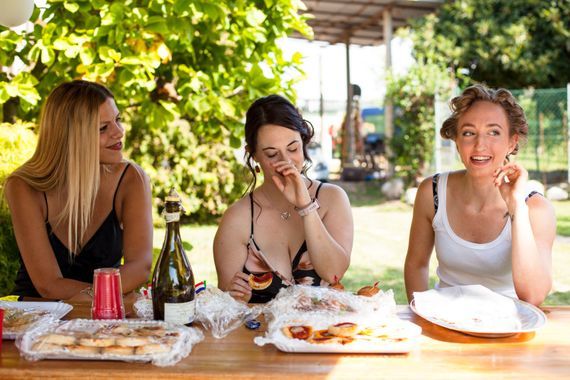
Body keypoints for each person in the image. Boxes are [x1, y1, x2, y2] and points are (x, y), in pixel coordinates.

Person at [404, 84, 555, 306]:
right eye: (468, 133)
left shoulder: (536, 209)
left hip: (508, 329)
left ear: (512, 141)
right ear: (456, 140)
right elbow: (416, 265)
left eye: (493, 132)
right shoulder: (432, 192)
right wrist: (421, 315)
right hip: (446, 323)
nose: (479, 144)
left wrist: (516, 206)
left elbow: (533, 296)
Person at [4, 80, 153, 300]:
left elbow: (140, 267)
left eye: (118, 120)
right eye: (103, 128)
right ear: (71, 136)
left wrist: (100, 303)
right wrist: (109, 297)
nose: (119, 132)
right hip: (36, 316)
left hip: (105, 319)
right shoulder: (24, 186)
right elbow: (48, 285)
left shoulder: (131, 179)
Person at [214, 95, 353, 303]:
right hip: (258, 335)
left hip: (323, 334)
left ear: (304, 143)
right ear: (254, 157)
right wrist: (234, 298)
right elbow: (227, 309)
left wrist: (306, 206)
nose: (285, 162)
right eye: (271, 154)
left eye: (293, 149)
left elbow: (333, 274)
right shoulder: (237, 219)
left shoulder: (332, 198)